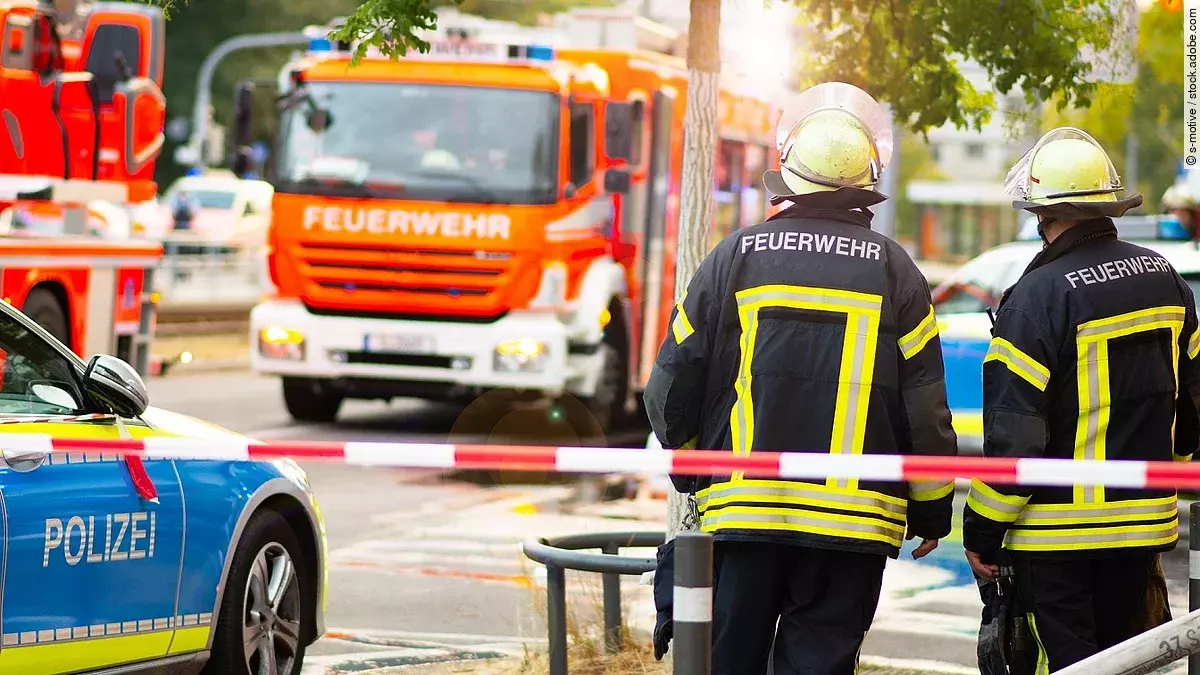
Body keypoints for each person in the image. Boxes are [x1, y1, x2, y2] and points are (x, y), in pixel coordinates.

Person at [643, 82, 959, 675]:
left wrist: (690, 467)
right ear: (866, 183)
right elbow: (926, 412)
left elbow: (669, 387)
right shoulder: (896, 271)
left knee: (728, 665)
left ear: (789, 175)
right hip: (855, 527)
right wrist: (932, 511)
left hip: (745, 514)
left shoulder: (736, 256)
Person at [962, 126, 1199, 672]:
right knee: (1125, 661)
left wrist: (982, 529)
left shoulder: (1036, 297)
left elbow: (1014, 437)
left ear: (1045, 217)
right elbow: (1192, 408)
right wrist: (1170, 469)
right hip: (1142, 528)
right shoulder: (1166, 279)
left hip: (1058, 537)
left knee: (1070, 664)